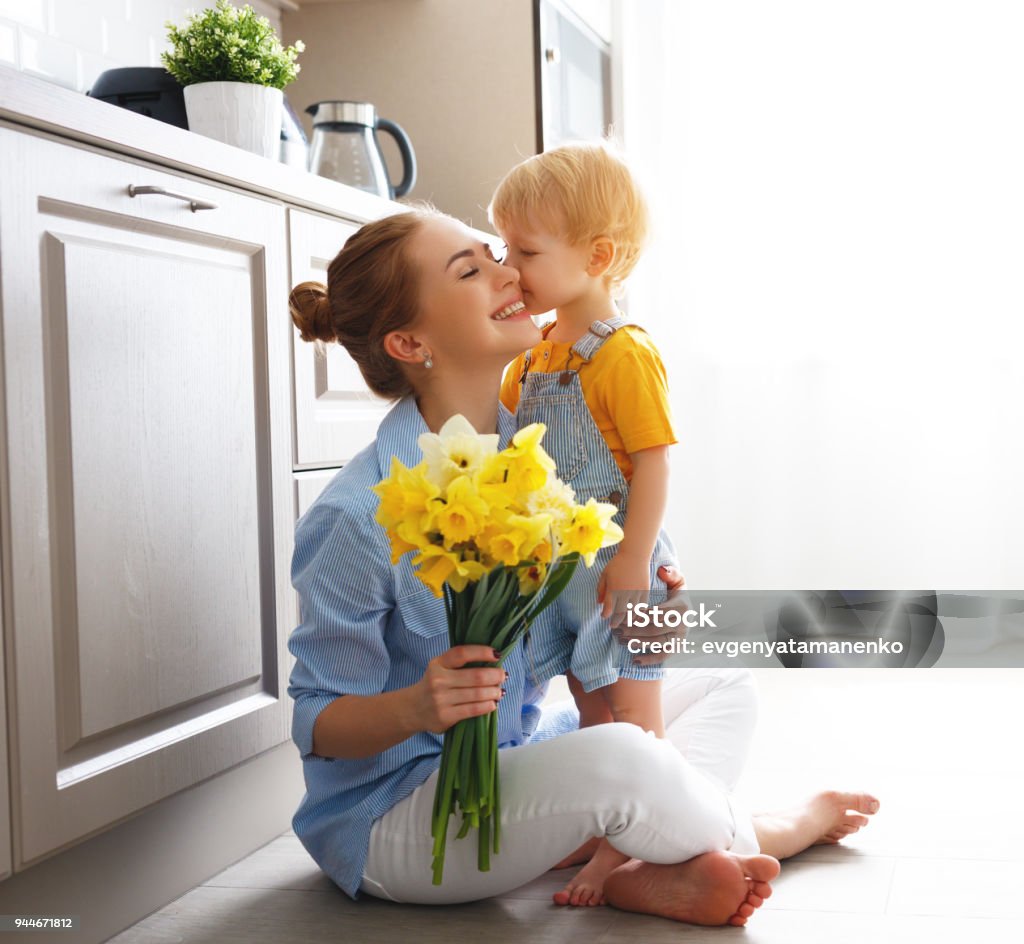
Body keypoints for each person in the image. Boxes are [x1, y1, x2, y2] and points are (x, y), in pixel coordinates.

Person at [286, 206, 879, 925]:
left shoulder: (543, 459)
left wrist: (637, 622)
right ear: (411, 341)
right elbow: (318, 721)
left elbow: (572, 637)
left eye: (493, 253)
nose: (509, 272)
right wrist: (417, 707)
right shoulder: (355, 515)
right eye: (471, 270)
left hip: (514, 755)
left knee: (723, 684)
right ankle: (774, 829)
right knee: (624, 759)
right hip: (400, 818)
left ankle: (633, 862)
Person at [490, 143, 674, 902]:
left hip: (616, 567)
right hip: (557, 574)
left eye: (525, 252)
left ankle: (647, 841)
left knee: (633, 710)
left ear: (597, 256)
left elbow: (655, 460)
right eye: (503, 248)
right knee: (591, 705)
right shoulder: (531, 359)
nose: (509, 268)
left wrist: (633, 561)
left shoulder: (621, 354)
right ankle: (608, 830)